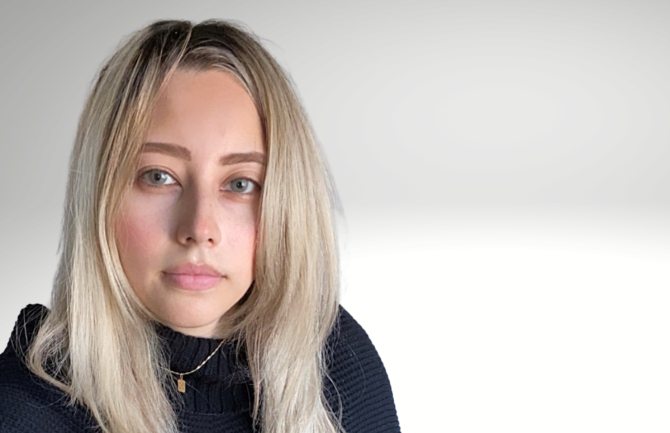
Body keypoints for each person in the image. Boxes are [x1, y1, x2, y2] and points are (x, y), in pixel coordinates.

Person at [0, 19, 400, 433]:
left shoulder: (336, 361)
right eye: (158, 176)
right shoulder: (23, 409)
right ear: (100, 194)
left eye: (241, 184)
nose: (199, 227)